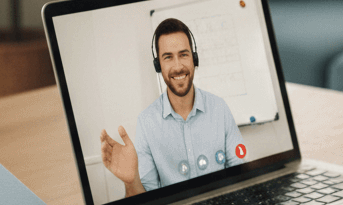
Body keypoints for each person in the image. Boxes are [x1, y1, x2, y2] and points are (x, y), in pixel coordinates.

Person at [100, 18, 245, 195]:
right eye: (168, 57)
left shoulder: (219, 108)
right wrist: (131, 181)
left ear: (194, 59)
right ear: (158, 65)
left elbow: (242, 178)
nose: (177, 66)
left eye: (183, 54)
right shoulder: (147, 123)